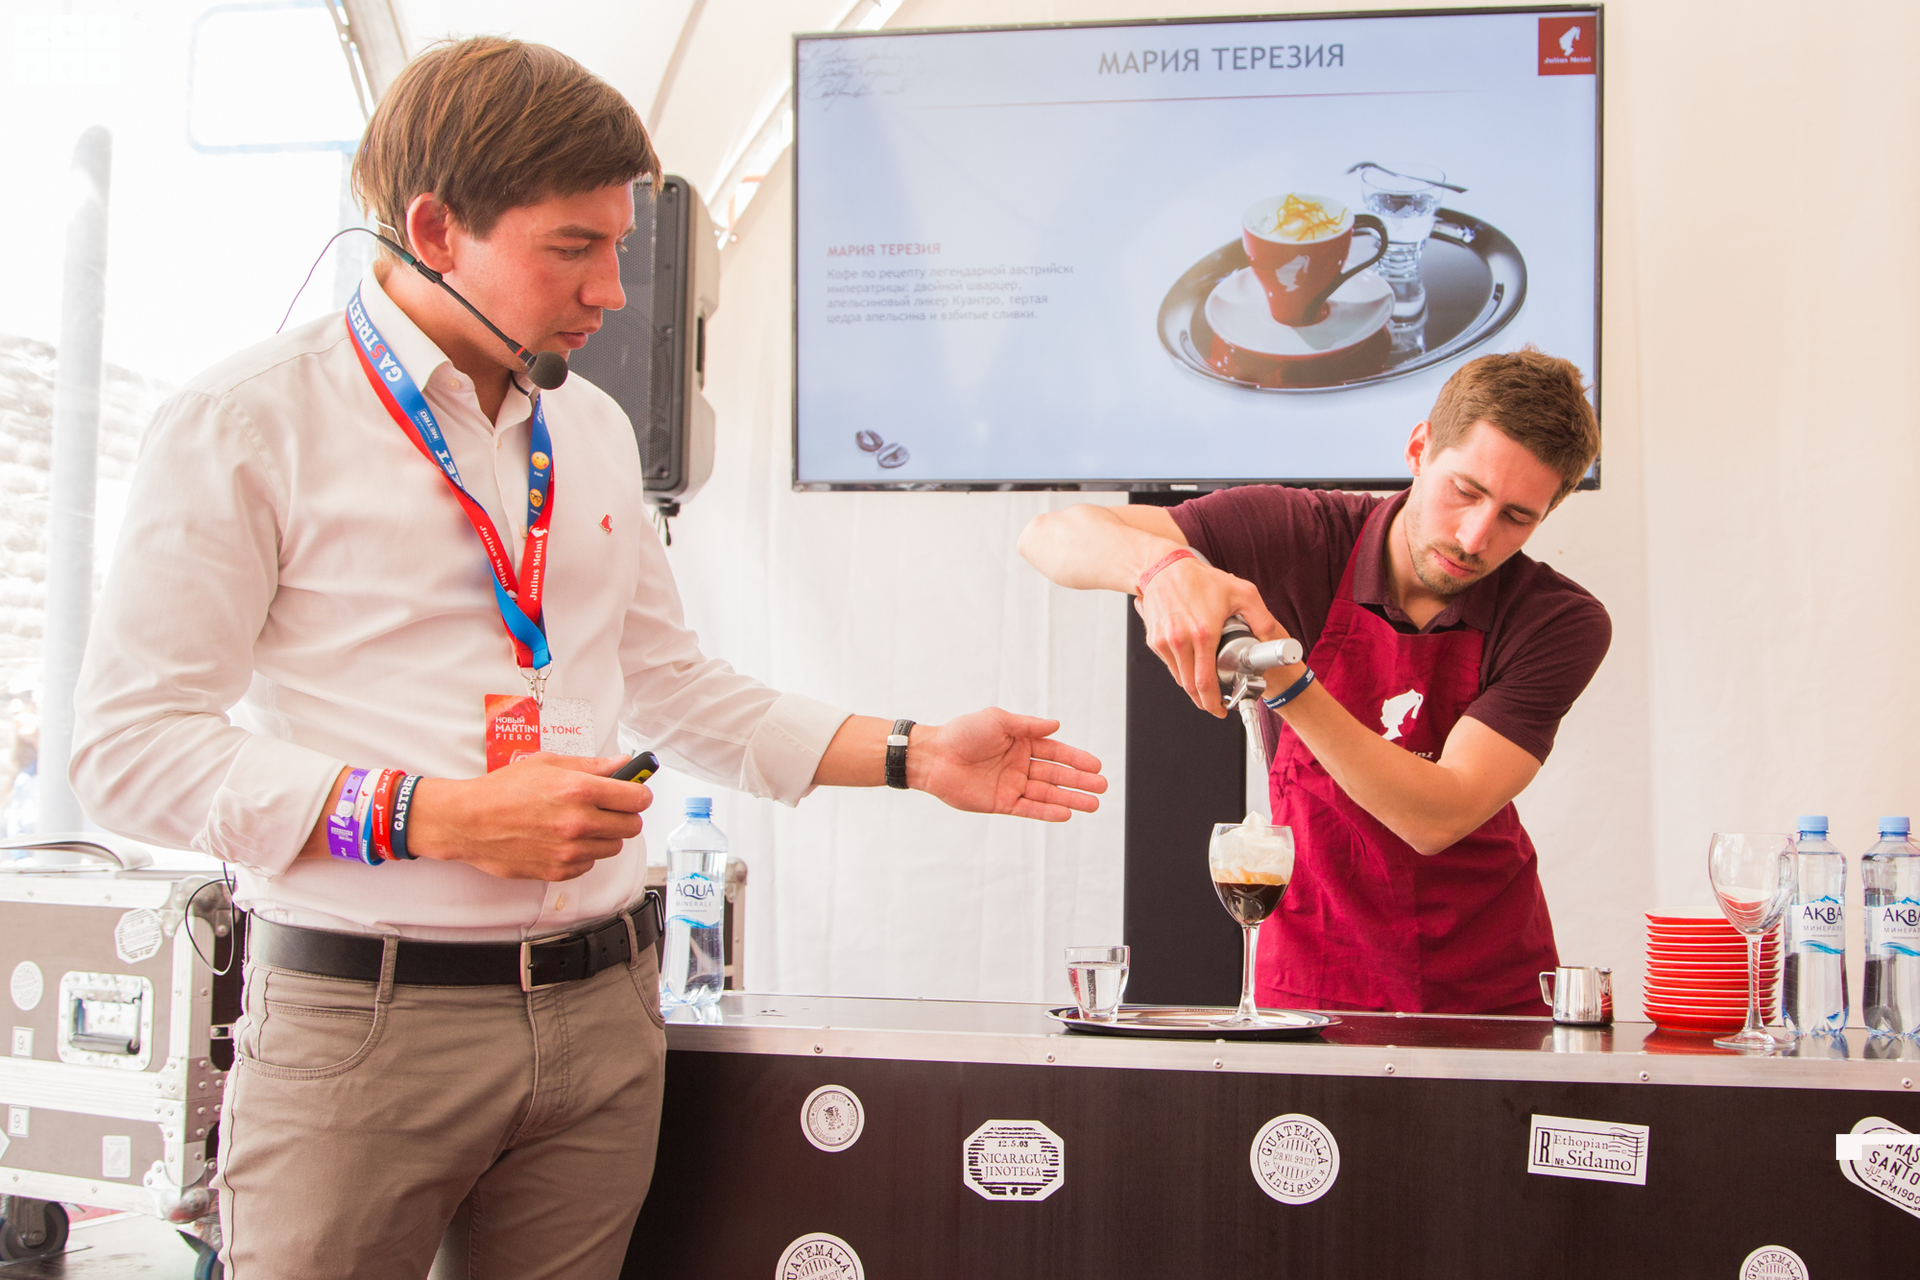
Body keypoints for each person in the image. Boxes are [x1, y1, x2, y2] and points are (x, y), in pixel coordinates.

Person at [69, 37, 1104, 1280]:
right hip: (366, 1020)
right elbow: (128, 751)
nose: (613, 291)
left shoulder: (593, 423)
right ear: (435, 229)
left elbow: (672, 683)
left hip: (605, 1011)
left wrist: (911, 752)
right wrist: (436, 814)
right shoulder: (245, 422)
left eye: (618, 245)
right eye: (574, 247)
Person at [1019, 348, 1606, 1016]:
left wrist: (1287, 683)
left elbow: (1437, 816)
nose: (1474, 537)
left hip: (1485, 988)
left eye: (1516, 517)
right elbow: (1049, 536)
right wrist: (1161, 568)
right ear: (1419, 449)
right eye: (1465, 491)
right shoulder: (1300, 534)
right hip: (1311, 966)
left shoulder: (1559, 621)